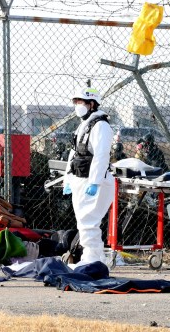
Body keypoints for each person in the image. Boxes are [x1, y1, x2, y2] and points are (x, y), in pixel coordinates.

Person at [63, 86, 114, 266]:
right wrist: (67, 180)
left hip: (94, 182)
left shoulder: (101, 125)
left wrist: (95, 182)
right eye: (75, 102)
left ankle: (91, 259)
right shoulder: (83, 124)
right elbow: (74, 153)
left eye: (80, 102)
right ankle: (96, 259)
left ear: (91, 104)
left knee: (88, 221)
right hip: (80, 179)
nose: (77, 105)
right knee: (84, 221)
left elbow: (101, 156)